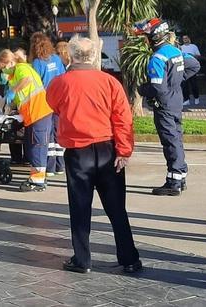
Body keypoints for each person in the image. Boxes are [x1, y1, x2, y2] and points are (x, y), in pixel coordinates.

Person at [46, 36, 141, 275]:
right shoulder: (109, 82)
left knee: (80, 208)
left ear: (71, 55)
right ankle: (129, 258)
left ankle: (82, 259)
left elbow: (53, 104)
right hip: (108, 149)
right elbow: (123, 119)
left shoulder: (61, 82)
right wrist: (124, 150)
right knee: (117, 208)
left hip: (78, 151)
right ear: (94, 56)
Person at [135, 18, 190, 196]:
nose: (145, 41)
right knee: (177, 139)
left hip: (164, 105)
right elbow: (194, 65)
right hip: (176, 101)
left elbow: (156, 87)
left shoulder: (157, 58)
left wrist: (142, 89)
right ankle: (180, 177)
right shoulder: (175, 51)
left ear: (154, 38)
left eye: (146, 37)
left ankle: (173, 183)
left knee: (170, 141)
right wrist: (176, 81)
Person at [0, 50, 54, 192]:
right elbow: (19, 99)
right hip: (33, 116)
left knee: (37, 147)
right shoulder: (13, 76)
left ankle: (38, 180)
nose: (3, 71)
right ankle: (38, 177)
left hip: (39, 113)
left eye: (3, 67)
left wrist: (13, 91)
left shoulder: (21, 68)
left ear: (10, 62)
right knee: (32, 147)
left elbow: (26, 80)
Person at [30, 33, 67, 174]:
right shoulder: (57, 59)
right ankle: (60, 165)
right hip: (59, 99)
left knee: (48, 135)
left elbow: (36, 83)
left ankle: (50, 167)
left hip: (44, 101)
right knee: (58, 133)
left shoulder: (37, 63)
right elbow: (63, 76)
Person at [180, 35, 202, 107]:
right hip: (184, 68)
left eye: (186, 38)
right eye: (183, 39)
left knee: (194, 84)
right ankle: (186, 99)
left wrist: (191, 55)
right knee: (184, 84)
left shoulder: (193, 46)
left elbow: (198, 55)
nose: (185, 40)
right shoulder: (181, 47)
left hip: (192, 68)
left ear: (189, 39)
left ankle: (196, 97)